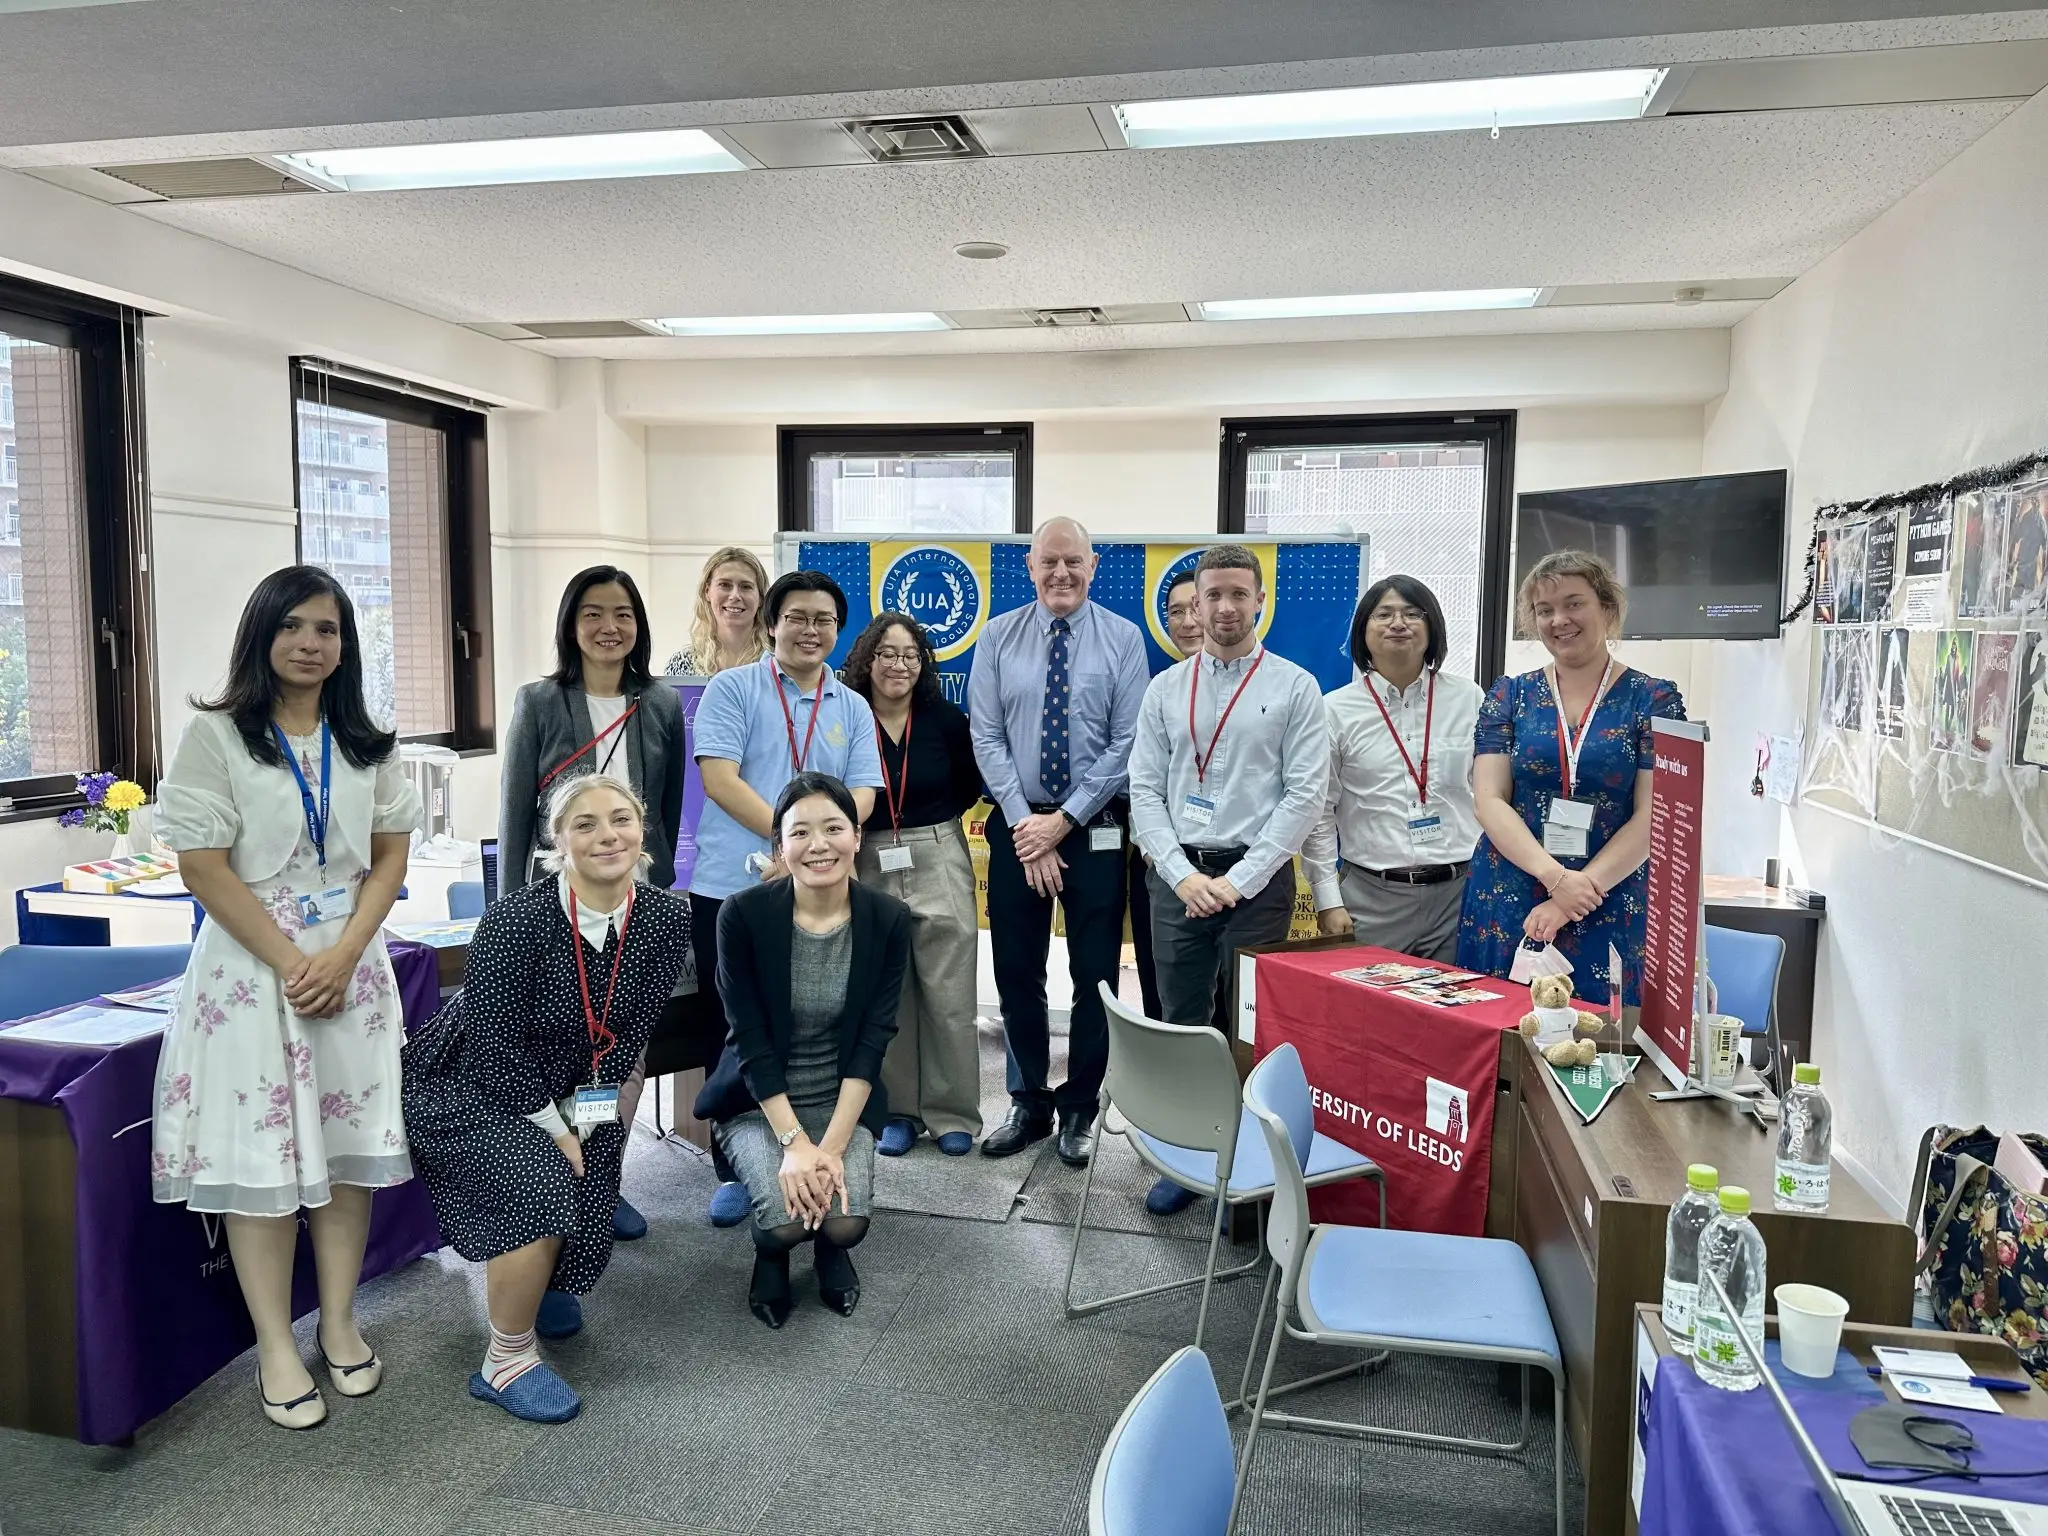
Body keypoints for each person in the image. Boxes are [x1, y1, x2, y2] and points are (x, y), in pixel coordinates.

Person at [151, 565, 421, 1430]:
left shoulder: (366, 741)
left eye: (330, 630)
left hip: (351, 967)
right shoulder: (218, 737)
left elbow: (388, 861)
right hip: (248, 973)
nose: (313, 644)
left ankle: (340, 1320)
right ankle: (275, 1342)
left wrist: (341, 958)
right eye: (295, 627)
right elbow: (202, 869)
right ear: (263, 634)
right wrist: (294, 961)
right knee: (260, 1168)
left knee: (345, 1160)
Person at [403, 774, 690, 1423]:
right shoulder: (517, 920)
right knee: (540, 1184)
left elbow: (626, 1038)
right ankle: (504, 1360)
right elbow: (494, 1045)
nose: (606, 834)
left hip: (576, 1083)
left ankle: (541, 1280)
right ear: (557, 841)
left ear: (642, 828)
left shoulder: (666, 918)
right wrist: (555, 1134)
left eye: (620, 818)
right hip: (469, 1079)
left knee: (589, 1211)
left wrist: (583, 1124)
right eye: (584, 824)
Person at [1128, 545, 1328, 1214]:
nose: (1224, 607)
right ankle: (1187, 1157)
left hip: (1258, 882)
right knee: (1182, 1019)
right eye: (1211, 595)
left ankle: (1248, 1159)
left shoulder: (1296, 688)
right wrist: (1184, 876)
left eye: (1238, 593)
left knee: (1250, 1025)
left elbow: (1303, 797)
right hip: (1177, 877)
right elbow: (1144, 790)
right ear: (1194, 605)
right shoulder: (1165, 689)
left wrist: (1237, 881)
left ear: (1260, 600)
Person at [498, 566, 686, 1251]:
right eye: (593, 614)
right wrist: (508, 917)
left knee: (616, 1052)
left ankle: (602, 1176)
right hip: (555, 907)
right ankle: (552, 1180)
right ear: (570, 625)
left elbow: (664, 813)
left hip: (631, 908)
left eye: (624, 614)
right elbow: (517, 810)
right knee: (556, 1052)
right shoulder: (541, 701)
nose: (610, 627)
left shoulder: (659, 701)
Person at [690, 570, 885, 1220]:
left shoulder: (852, 705)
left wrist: (813, 851)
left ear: (838, 629)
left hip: (826, 892)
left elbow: (863, 794)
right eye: (797, 617)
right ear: (771, 623)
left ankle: (814, 1150)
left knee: (817, 1024)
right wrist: (789, 846)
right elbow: (718, 779)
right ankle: (737, 1168)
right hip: (733, 887)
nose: (811, 630)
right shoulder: (733, 688)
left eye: (824, 619)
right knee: (733, 1027)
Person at [696, 774, 913, 1329]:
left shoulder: (886, 919)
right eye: (801, 832)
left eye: (833, 828)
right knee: (780, 1224)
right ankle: (771, 1255)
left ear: (857, 837)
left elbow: (873, 1040)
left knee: (847, 1225)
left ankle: (829, 1249)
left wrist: (831, 1148)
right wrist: (795, 1145)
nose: (819, 845)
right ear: (780, 846)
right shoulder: (742, 916)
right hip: (760, 1102)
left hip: (842, 1099)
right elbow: (750, 1041)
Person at [969, 517, 1147, 1168]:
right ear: (1031, 567)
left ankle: (1078, 1109)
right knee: (1016, 971)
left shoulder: (1123, 639)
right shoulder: (998, 636)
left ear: (1094, 566)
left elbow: (1126, 744)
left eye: (1074, 562)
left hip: (1094, 827)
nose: (1061, 574)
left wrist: (1062, 822)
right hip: (1018, 827)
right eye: (1050, 562)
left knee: (1095, 975)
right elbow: (985, 737)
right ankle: (1027, 1102)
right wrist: (1027, 826)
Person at [1455, 551, 1686, 1005]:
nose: (1559, 619)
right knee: (1502, 1035)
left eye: (1574, 603)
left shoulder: (1653, 700)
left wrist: (1572, 896)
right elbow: (1489, 800)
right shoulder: (1509, 696)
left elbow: (1655, 816)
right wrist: (1557, 879)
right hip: (1512, 890)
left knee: (1601, 1040)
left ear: (1607, 608)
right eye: (1545, 610)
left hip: (1611, 895)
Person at [843, 613, 986, 1157]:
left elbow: (970, 784)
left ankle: (953, 1113)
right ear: (866, 660)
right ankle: (898, 1111)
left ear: (922, 663)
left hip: (936, 849)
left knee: (949, 989)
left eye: (909, 655)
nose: (898, 665)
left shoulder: (946, 719)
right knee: (889, 988)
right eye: (887, 654)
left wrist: (931, 825)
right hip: (869, 853)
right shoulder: (850, 716)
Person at [1302, 576, 1484, 963]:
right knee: (1372, 1018)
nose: (1398, 623)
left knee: (1458, 1016)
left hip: (1460, 893)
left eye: (1412, 614)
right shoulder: (1334, 709)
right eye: (1384, 614)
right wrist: (1327, 900)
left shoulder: (1469, 698)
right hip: (1372, 898)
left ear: (1432, 627)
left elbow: (1492, 794)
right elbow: (1318, 811)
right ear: (1363, 631)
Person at [1125, 568, 1205, 1019]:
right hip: (1160, 861)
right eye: (1177, 612)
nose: (1189, 621)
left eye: (1197, 606)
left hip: (1230, 866)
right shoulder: (1159, 690)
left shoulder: (1265, 689)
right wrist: (1158, 852)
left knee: (1229, 998)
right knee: (1162, 989)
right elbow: (1142, 781)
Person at [667, 545, 770, 676]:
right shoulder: (682, 664)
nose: (735, 596)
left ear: (761, 597)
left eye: (746, 587)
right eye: (725, 585)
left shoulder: (779, 663)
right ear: (707, 592)